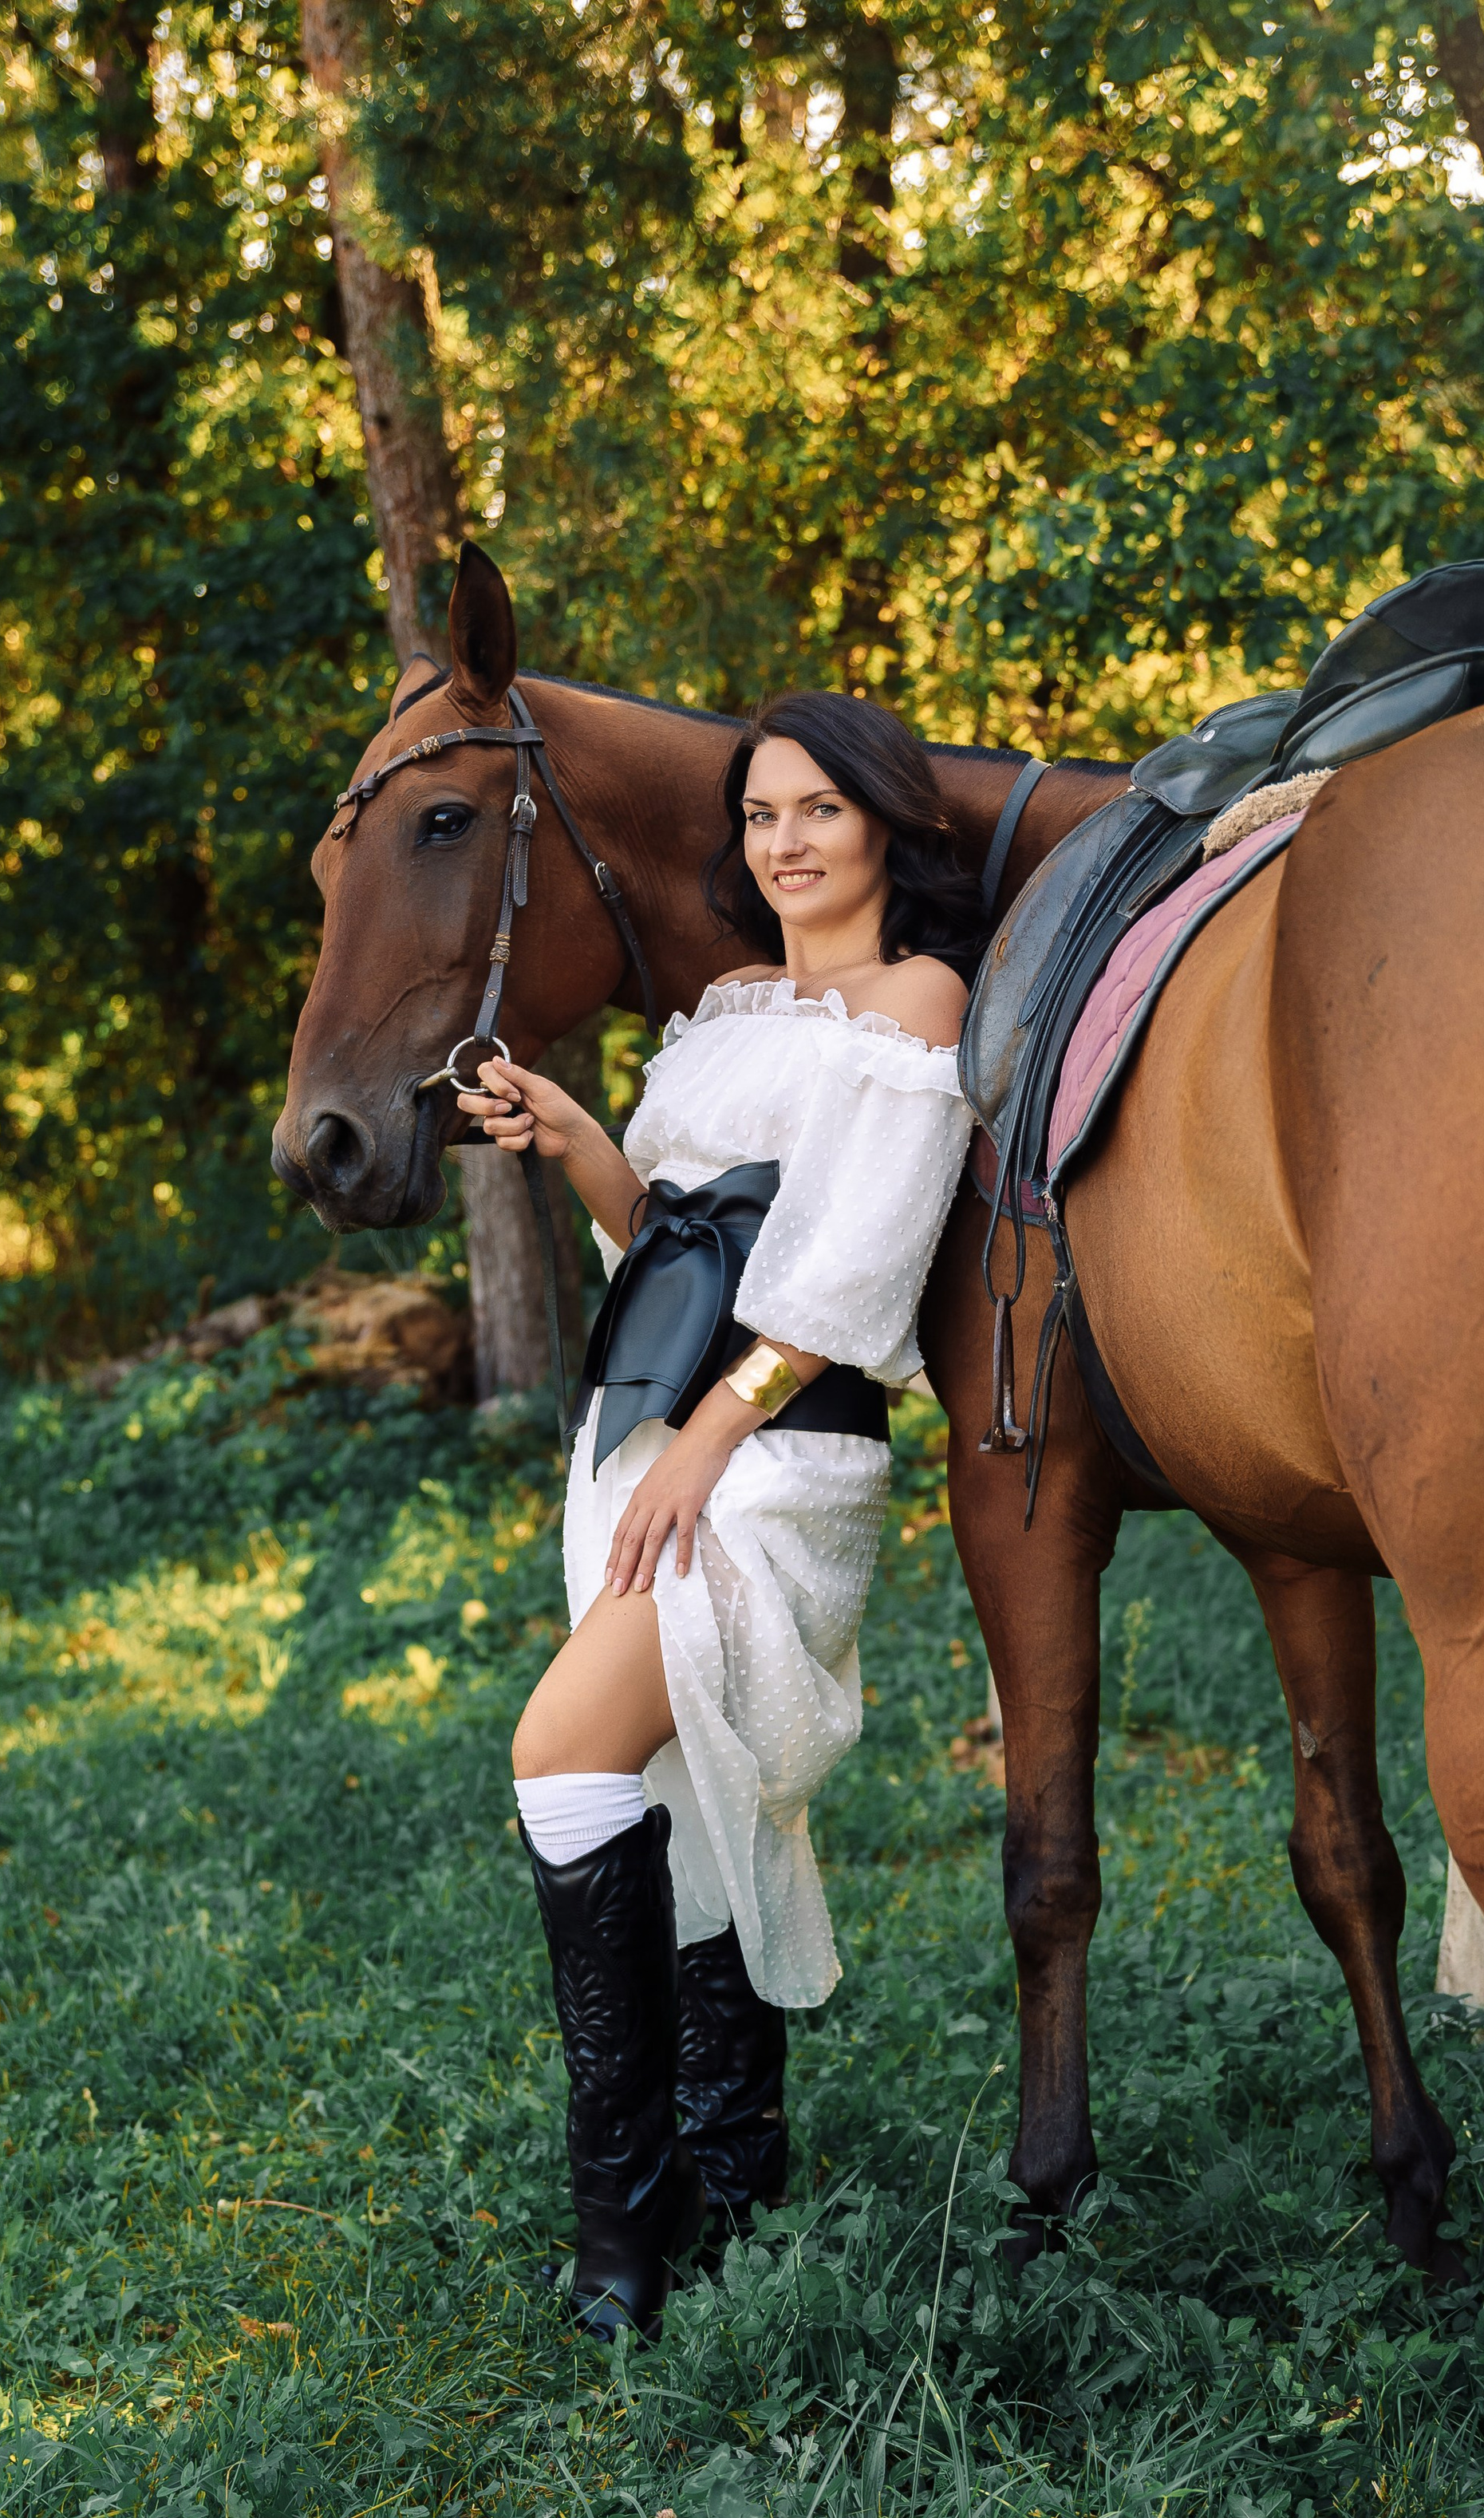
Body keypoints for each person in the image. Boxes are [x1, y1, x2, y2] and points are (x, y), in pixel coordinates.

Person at [458, 693, 981, 2341]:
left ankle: (628, 2215)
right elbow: (670, 1247)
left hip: (774, 1456)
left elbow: (851, 1269)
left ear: (887, 821)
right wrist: (578, 1140)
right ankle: (733, 2160)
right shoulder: (722, 1010)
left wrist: (709, 1439)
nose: (785, 841)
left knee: (563, 1751)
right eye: (760, 814)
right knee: (671, 1789)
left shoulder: (917, 1003)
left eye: (820, 807)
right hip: (641, 1438)